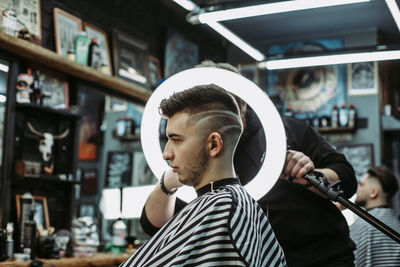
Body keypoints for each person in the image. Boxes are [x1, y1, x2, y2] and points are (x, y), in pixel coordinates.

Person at [140, 61, 357, 267]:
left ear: (242, 103)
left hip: (322, 258)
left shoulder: (283, 132)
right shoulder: (194, 153)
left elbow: (347, 180)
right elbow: (154, 226)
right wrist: (167, 184)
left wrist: (310, 177)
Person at [122, 84, 287, 266]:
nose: (166, 153)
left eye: (176, 140)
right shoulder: (235, 205)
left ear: (214, 145)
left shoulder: (223, 209)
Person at [350, 166, 400, 267]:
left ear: (373, 193)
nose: (357, 189)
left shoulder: (362, 225)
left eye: (361, 184)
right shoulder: (397, 223)